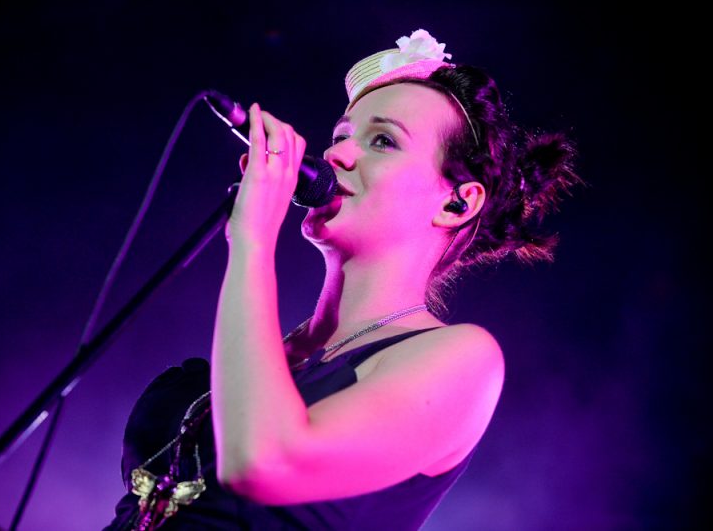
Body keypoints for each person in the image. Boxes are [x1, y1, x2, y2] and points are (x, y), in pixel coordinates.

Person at [104, 28, 582, 530]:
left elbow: (263, 461)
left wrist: (252, 242)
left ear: (456, 203)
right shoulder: (269, 352)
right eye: (340, 137)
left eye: (383, 141)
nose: (337, 155)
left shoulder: (463, 359)